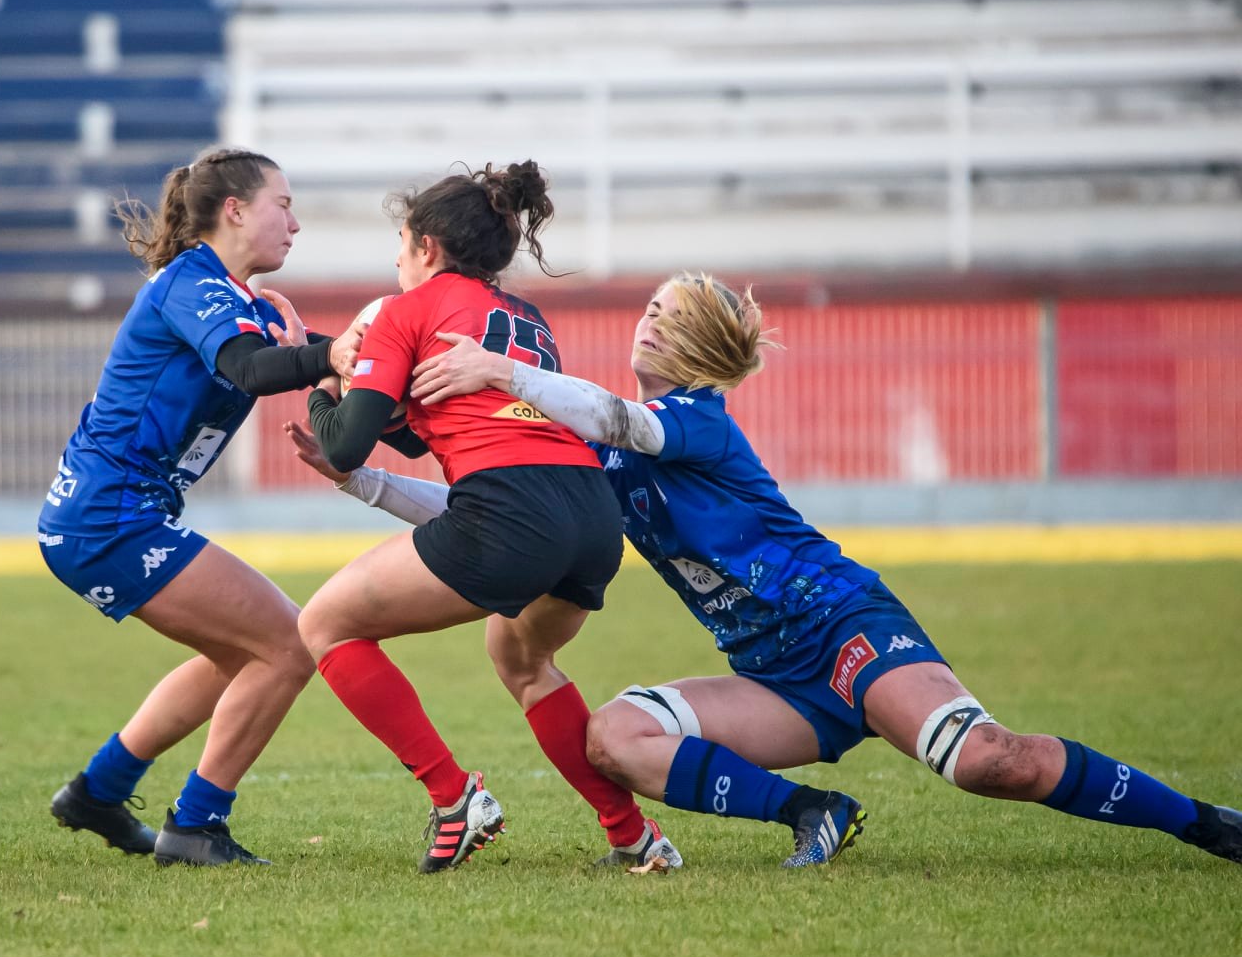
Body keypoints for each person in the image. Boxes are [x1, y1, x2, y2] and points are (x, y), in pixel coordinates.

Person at [338, 271, 1242, 868]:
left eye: (663, 309)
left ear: (692, 342)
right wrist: (369, 481)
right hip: (773, 677)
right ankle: (815, 810)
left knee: (985, 761)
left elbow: (623, 422)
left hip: (843, 628)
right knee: (613, 740)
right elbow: (487, 515)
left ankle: (1203, 824)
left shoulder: (695, 417)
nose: (644, 317)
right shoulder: (603, 446)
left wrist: (502, 368)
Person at [294, 161, 680, 875]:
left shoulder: (403, 310)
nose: (397, 261)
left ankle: (452, 797)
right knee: (523, 660)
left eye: (403, 245)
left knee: (323, 624)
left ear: (429, 249)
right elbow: (432, 429)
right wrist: (365, 411)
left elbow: (344, 441)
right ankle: (632, 836)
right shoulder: (523, 319)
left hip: (511, 513)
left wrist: (324, 380)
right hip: (592, 515)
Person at [41, 147, 360, 867]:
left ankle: (99, 791)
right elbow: (252, 367)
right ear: (236, 210)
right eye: (284, 204)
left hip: (116, 512)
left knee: (241, 651)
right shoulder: (195, 282)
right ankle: (195, 826)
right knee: (288, 645)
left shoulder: (231, 297)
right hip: (110, 515)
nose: (297, 223)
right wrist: (336, 353)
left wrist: (347, 361)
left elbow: (285, 358)